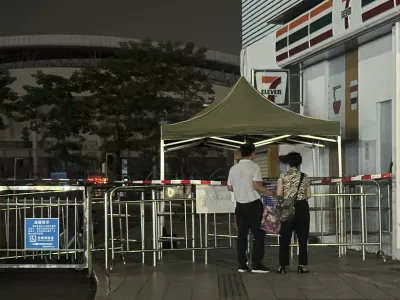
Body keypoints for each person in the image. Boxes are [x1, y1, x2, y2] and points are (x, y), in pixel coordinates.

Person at [227, 143, 275, 273]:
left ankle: (242, 265)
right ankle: (257, 264)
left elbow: (230, 187)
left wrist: (241, 187)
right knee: (259, 234)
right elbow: (256, 185)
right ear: (252, 153)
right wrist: (270, 193)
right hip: (253, 204)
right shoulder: (255, 167)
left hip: (240, 205)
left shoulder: (233, 168)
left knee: (242, 235)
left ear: (241, 153)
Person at [276, 152, 311, 274]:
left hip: (287, 208)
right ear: (299, 163)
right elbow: (308, 195)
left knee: (285, 237)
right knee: (302, 238)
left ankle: (282, 266)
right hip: (302, 207)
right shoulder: (305, 177)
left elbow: (279, 194)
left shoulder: (283, 176)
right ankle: (301, 265)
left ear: (288, 163)